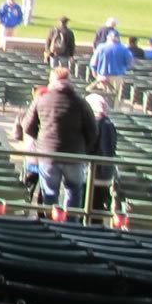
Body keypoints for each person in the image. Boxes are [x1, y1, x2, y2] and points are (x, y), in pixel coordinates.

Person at [19, 68, 95, 211]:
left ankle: (51, 225)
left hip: (48, 156)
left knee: (50, 194)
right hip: (75, 156)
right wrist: (84, 149)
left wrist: (42, 140)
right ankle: (71, 226)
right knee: (74, 192)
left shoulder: (41, 100)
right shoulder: (81, 103)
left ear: (51, 81)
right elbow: (92, 131)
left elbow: (27, 126)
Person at [82, 92, 118, 214]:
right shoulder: (110, 125)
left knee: (86, 208)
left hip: (92, 173)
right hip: (106, 173)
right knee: (97, 210)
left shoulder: (93, 124)